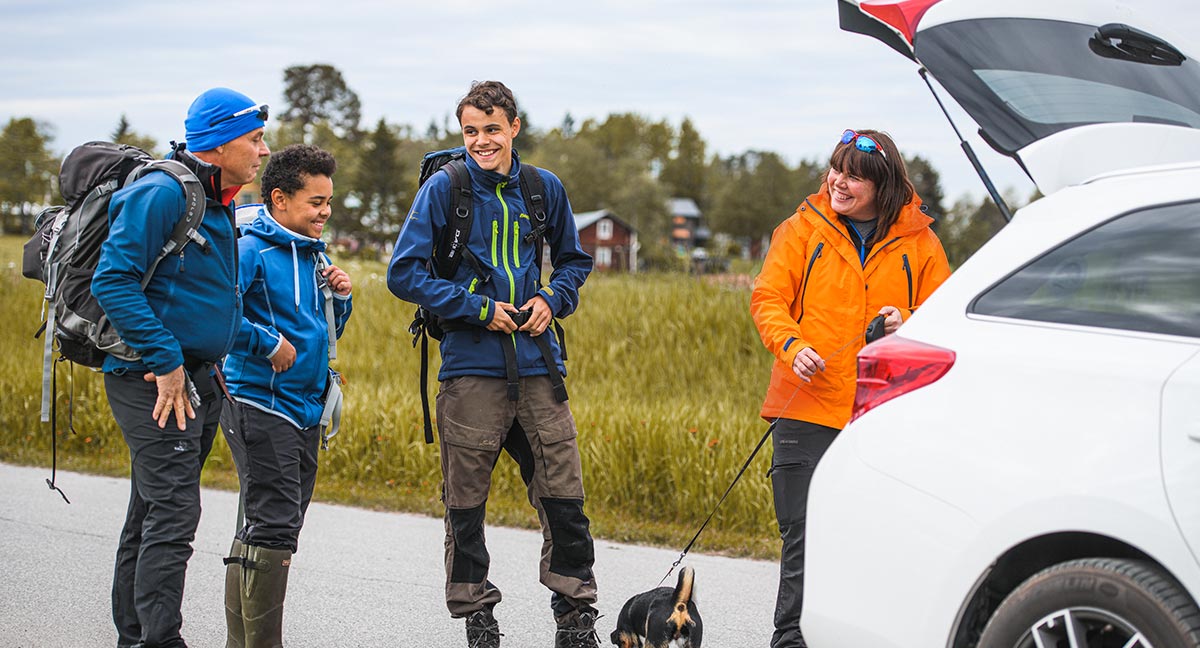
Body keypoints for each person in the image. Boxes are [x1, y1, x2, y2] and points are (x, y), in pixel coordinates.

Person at [387, 80, 599, 648]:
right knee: (466, 505)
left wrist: (551, 300)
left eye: (491, 130)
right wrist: (479, 309)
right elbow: (403, 274)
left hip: (538, 366)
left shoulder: (542, 188)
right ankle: (477, 616)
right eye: (470, 132)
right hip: (470, 369)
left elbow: (576, 261)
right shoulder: (443, 190)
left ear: (514, 128)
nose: (481, 141)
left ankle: (575, 615)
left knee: (564, 497)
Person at [750, 129, 951, 648]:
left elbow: (944, 321)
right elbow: (768, 300)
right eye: (837, 170)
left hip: (885, 416)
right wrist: (793, 347)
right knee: (803, 537)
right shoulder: (799, 231)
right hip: (806, 406)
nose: (839, 182)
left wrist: (906, 320)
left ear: (882, 187)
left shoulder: (922, 245)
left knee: (876, 541)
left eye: (855, 176)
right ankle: (790, 640)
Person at [92, 87, 270, 648]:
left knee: (151, 512)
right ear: (217, 145)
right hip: (152, 380)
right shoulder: (165, 193)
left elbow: (204, 301)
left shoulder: (219, 201)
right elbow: (112, 281)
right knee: (172, 515)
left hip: (197, 380)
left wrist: (261, 344)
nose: (263, 151)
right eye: (255, 139)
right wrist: (167, 362)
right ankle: (160, 639)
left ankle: (134, 637)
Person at [219, 144, 352, 647]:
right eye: (316, 202)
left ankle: (242, 643)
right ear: (280, 199)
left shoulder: (314, 254)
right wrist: (265, 342)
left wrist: (341, 297)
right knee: (273, 525)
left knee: (269, 523)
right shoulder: (251, 249)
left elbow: (321, 330)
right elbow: (222, 319)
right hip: (258, 402)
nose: (325, 212)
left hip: (305, 409)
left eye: (329, 202)